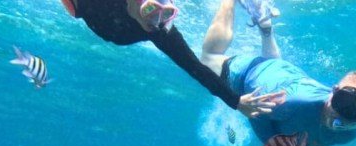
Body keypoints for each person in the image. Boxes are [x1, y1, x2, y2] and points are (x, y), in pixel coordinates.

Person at [201, 0, 356, 146]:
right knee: (208, 59)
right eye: (343, 102)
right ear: (334, 91)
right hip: (247, 73)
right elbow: (257, 113)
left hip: (283, 71)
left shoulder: (350, 134)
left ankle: (265, 26)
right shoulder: (294, 101)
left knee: (274, 66)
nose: (342, 116)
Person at [60, 0, 282, 117]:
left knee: (160, 25)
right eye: (153, 9)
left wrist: (235, 101)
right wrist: (235, 101)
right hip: (112, 28)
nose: (157, 16)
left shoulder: (161, 31)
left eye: (163, 12)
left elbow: (196, 68)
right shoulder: (111, 15)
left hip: (123, 27)